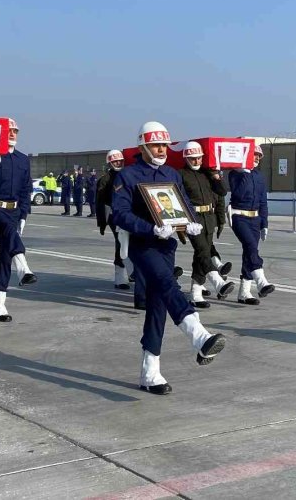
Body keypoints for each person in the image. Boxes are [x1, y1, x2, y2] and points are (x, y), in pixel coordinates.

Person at [111, 121, 226, 396]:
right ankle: (198, 335)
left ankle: (150, 372)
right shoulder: (127, 176)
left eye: (165, 145)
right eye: (156, 145)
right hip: (142, 243)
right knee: (166, 282)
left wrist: (192, 222)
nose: (162, 149)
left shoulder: (171, 174)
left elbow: (183, 204)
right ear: (143, 146)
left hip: (166, 245)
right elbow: (120, 214)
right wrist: (148, 227)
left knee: (158, 306)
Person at [0, 118, 37, 321]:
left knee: (5, 255)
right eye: (8, 131)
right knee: (7, 229)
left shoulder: (23, 160)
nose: (12, 134)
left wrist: (23, 215)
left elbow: (25, 190)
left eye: (15, 131)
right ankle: (23, 267)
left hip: (13, 211)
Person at [178, 141, 236, 308]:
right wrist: (182, 224)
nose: (196, 161)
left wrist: (217, 177)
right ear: (186, 158)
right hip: (192, 218)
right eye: (192, 158)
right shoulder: (180, 174)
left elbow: (222, 192)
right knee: (203, 251)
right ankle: (218, 283)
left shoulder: (207, 174)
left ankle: (195, 294)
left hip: (209, 218)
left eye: (199, 158)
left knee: (200, 256)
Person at [230, 144, 275, 305]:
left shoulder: (259, 176)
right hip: (238, 216)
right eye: (253, 155)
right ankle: (261, 280)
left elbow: (263, 201)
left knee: (249, 252)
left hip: (254, 219)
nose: (256, 158)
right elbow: (238, 193)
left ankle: (244, 292)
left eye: (258, 156)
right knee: (250, 246)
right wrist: (244, 173)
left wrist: (264, 223)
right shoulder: (236, 174)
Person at [97, 149, 133, 289]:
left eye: (120, 160)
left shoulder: (129, 175)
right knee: (121, 243)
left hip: (129, 215)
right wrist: (102, 223)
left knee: (132, 243)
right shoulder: (105, 180)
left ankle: (131, 273)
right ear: (109, 163)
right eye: (115, 161)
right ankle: (120, 276)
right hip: (114, 216)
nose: (118, 163)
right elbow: (100, 202)